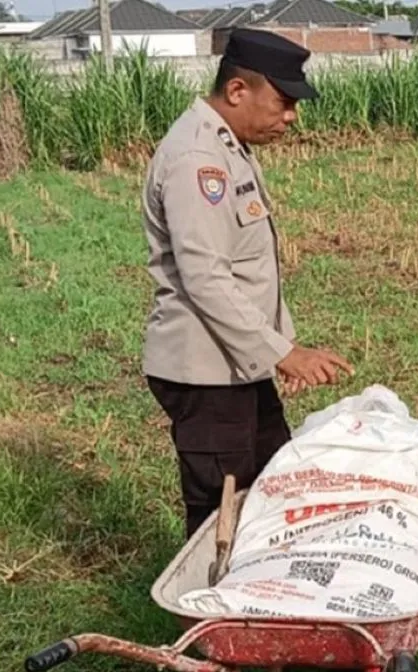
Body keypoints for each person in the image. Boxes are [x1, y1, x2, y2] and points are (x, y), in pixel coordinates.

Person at [141, 28, 353, 539]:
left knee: (269, 495)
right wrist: (283, 353)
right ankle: (209, 592)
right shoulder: (198, 160)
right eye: (283, 102)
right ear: (238, 90)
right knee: (222, 517)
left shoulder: (226, 146)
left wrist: (280, 347)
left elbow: (249, 268)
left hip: (237, 364)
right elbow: (206, 277)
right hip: (207, 372)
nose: (291, 116)